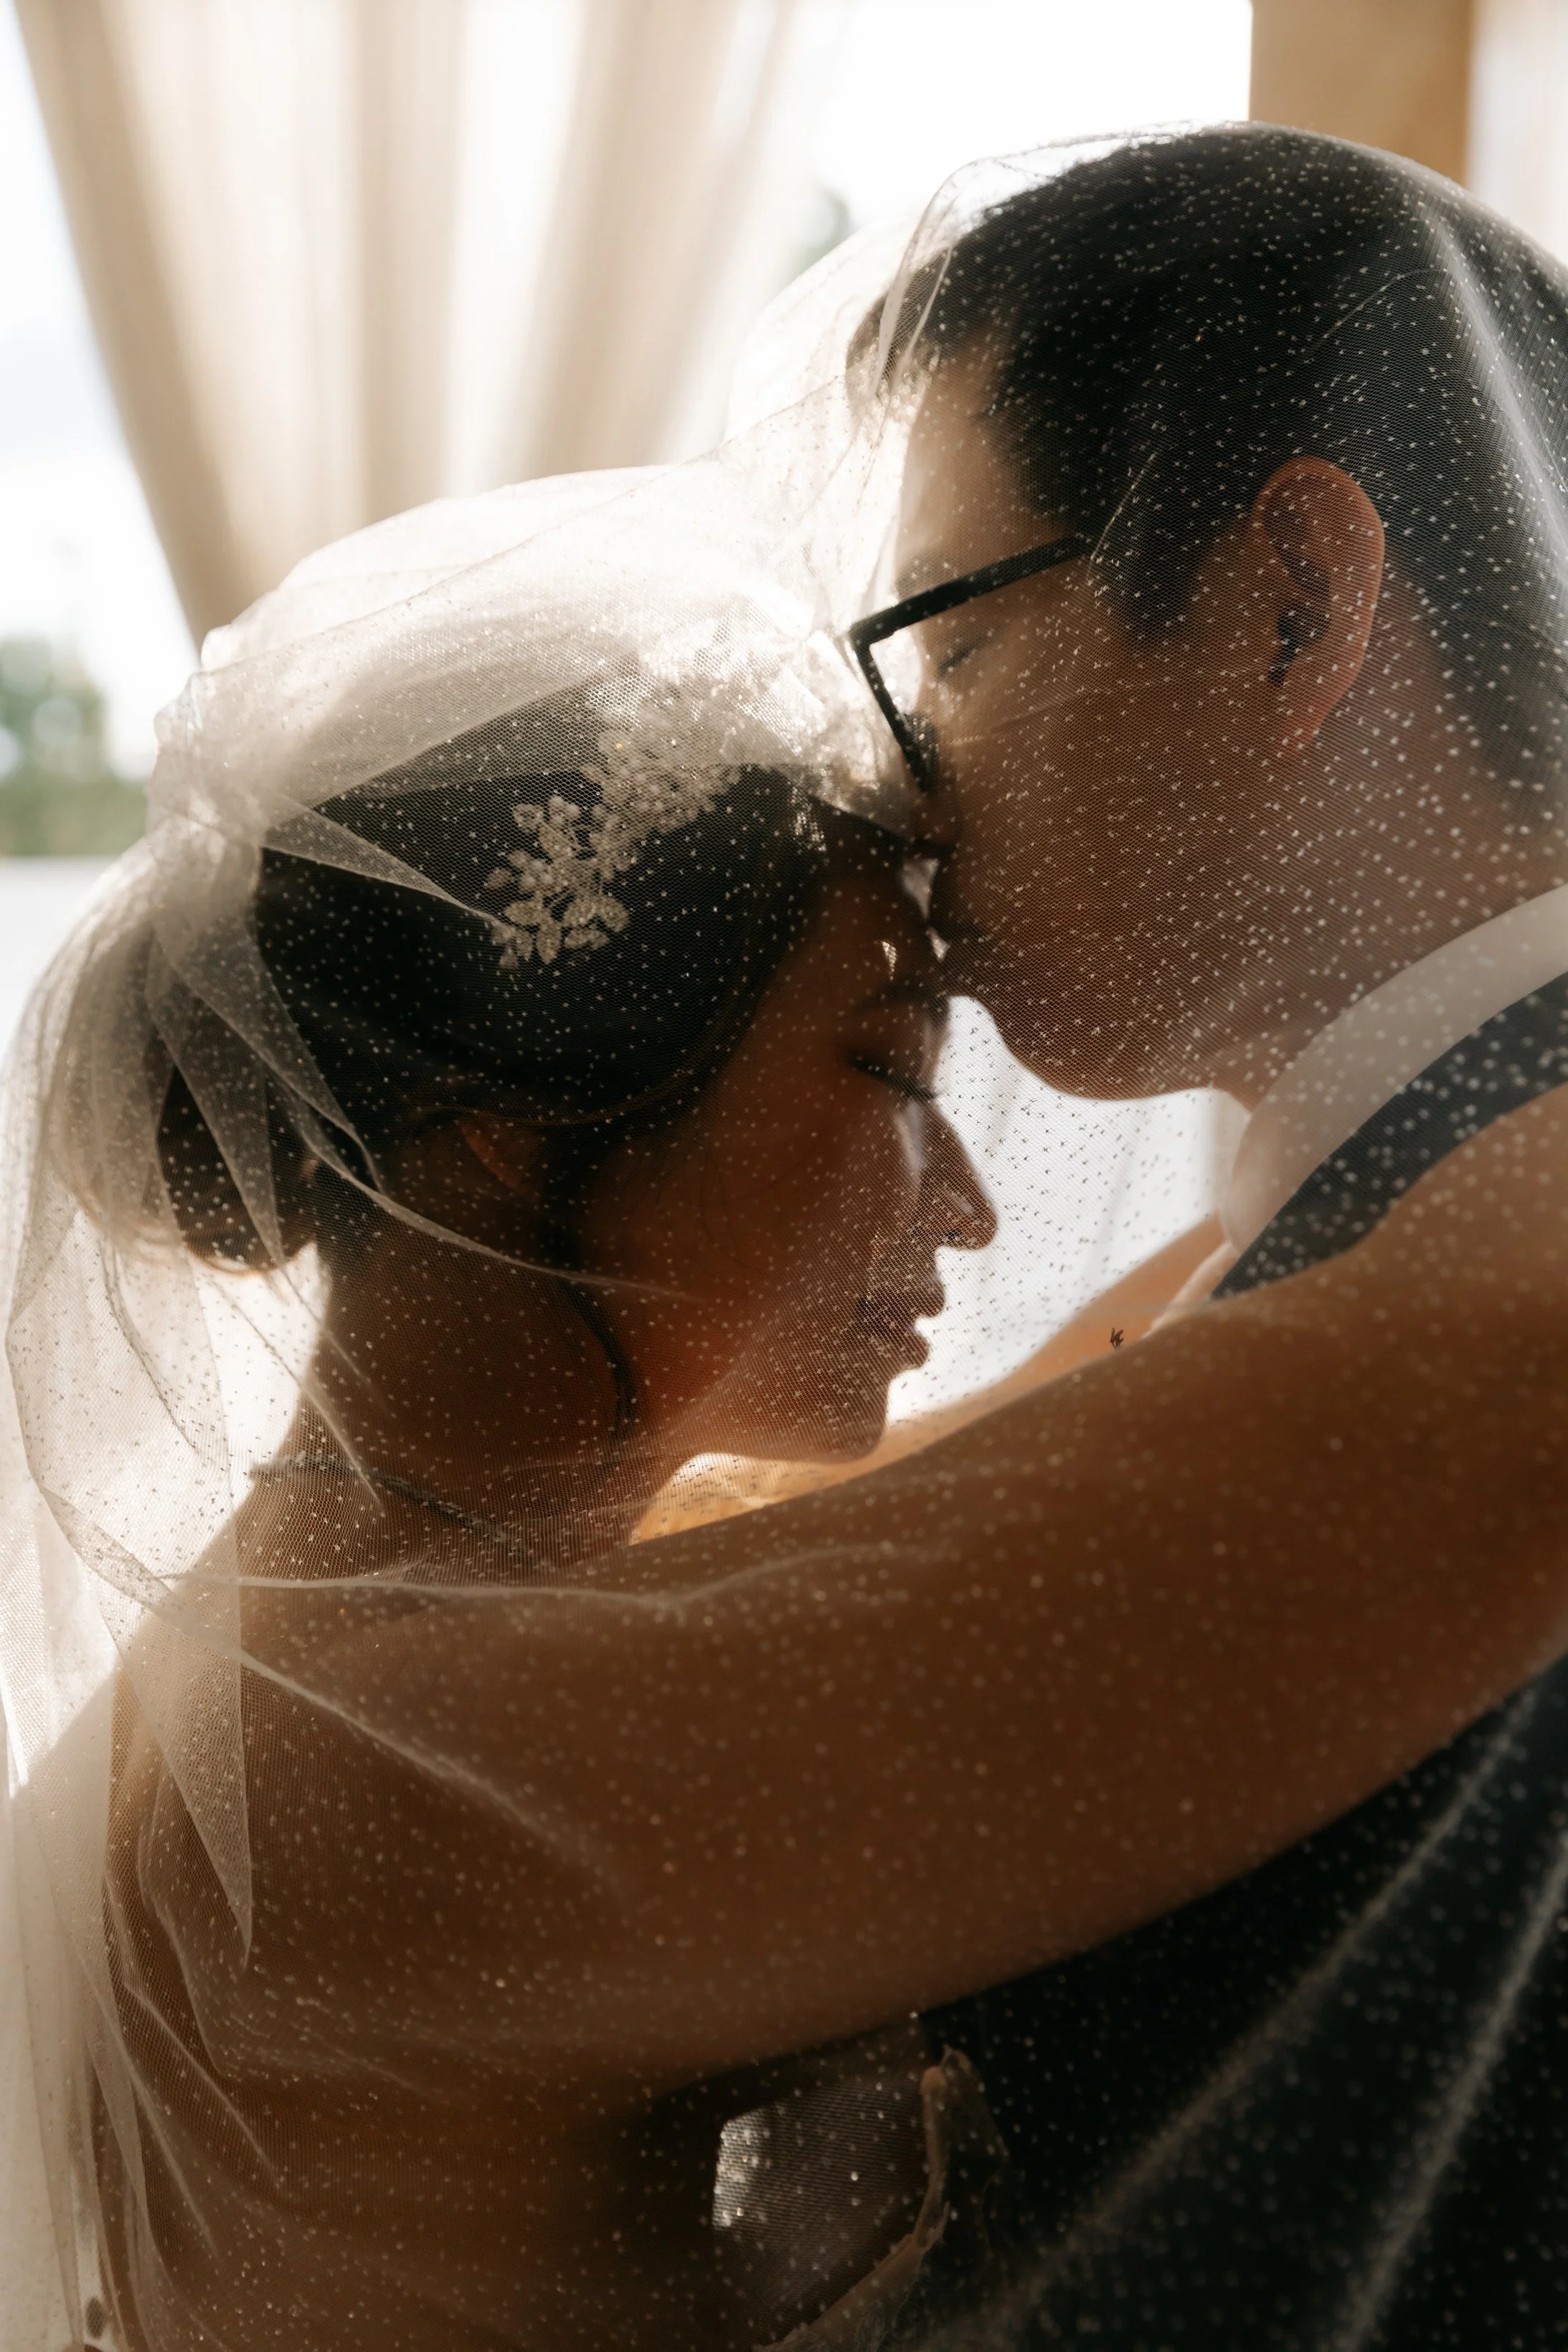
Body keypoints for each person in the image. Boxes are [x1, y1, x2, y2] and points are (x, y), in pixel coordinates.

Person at [4, 261, 1568, 2352]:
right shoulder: (397, 1780)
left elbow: (1191, 1363)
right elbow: (1486, 1409)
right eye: (894, 1072)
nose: (975, 1204)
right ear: (514, 1130)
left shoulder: (431, 1615)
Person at [825, 121, 1568, 2345]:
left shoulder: (1483, 1254)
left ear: (1294, 603)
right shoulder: (1375, 1180)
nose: (897, 788)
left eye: (944, 643)